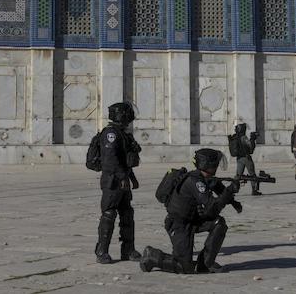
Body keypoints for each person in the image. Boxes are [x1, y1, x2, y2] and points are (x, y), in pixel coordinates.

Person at [140, 148, 238, 274]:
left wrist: (233, 201)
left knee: (219, 223)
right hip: (178, 224)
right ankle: (152, 256)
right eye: (215, 163)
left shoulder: (203, 178)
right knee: (184, 267)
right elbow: (212, 208)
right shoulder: (195, 181)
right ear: (208, 164)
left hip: (193, 219)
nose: (217, 166)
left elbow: (216, 187)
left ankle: (206, 263)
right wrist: (229, 191)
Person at [94, 101, 141, 264]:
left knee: (127, 214)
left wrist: (131, 178)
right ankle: (102, 251)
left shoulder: (123, 133)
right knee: (109, 214)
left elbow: (124, 159)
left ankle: (128, 250)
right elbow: (110, 161)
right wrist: (122, 178)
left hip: (122, 179)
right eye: (128, 114)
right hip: (112, 181)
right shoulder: (110, 134)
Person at [228, 123, 262, 195]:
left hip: (239, 158)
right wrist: (253, 138)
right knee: (252, 174)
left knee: (238, 175)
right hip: (246, 158)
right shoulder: (243, 137)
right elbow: (250, 146)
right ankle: (254, 190)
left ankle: (232, 190)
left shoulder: (235, 137)